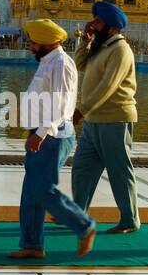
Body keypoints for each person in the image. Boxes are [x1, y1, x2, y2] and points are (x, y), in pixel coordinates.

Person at [9, 18, 96, 261]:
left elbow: (60, 105)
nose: (30, 46)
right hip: (42, 133)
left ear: (46, 42)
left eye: (33, 42)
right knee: (30, 192)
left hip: (53, 135)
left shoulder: (61, 64)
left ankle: (83, 225)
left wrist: (40, 134)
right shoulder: (48, 61)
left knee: (41, 189)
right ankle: (32, 244)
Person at [71, 0, 140, 234]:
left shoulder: (121, 49)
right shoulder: (101, 46)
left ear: (111, 27)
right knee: (82, 169)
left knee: (119, 171)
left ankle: (130, 219)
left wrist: (81, 109)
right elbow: (78, 64)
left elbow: (107, 86)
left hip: (115, 119)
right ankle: (77, 213)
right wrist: (85, 39)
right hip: (94, 121)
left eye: (97, 22)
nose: (93, 24)